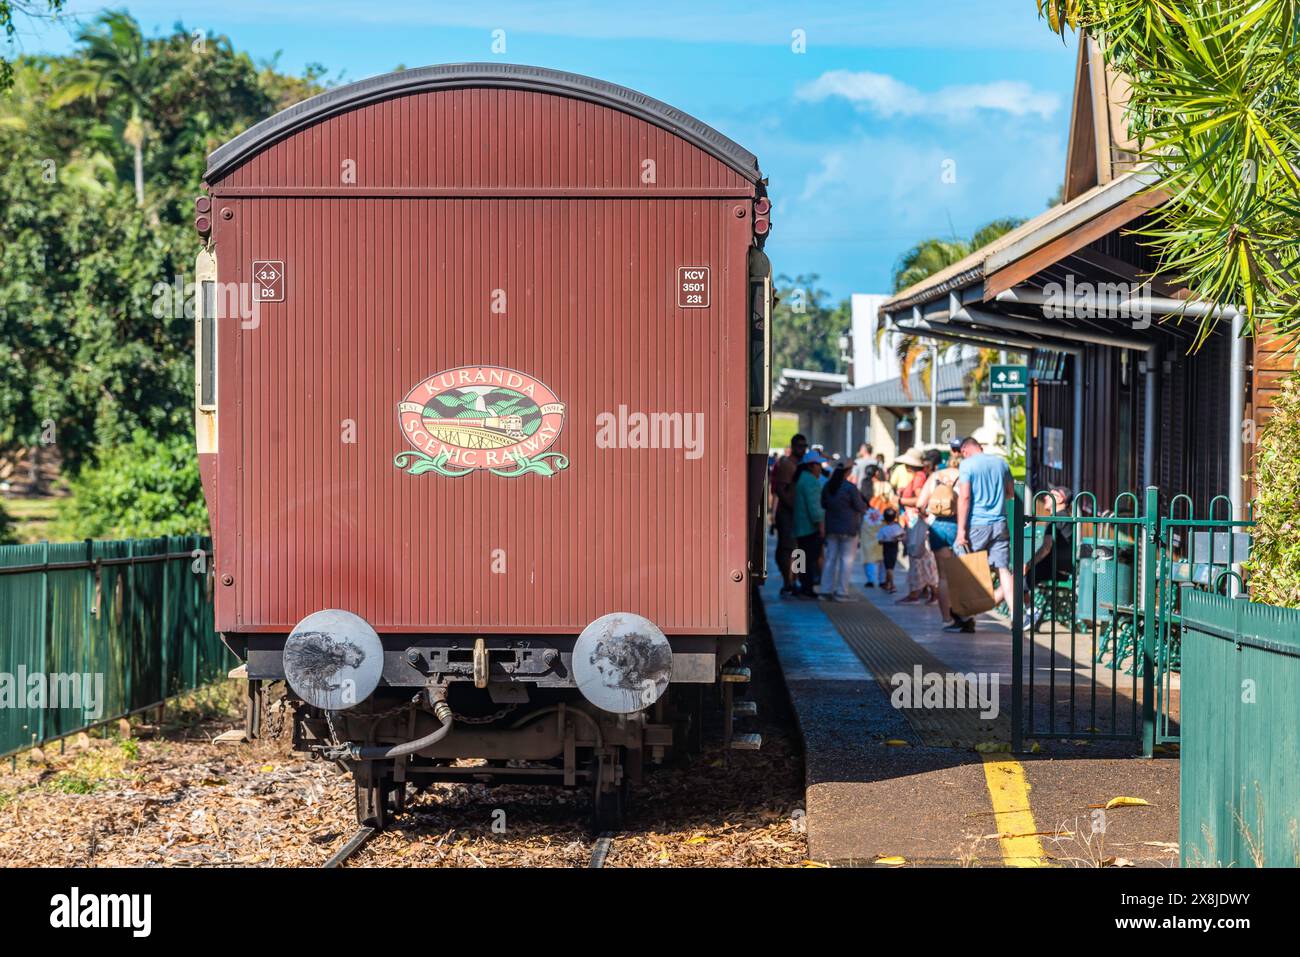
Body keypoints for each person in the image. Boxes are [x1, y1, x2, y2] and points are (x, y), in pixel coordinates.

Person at [955, 436, 1015, 624]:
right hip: (1000, 522)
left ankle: (967, 614)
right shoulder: (1001, 463)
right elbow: (1011, 493)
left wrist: (961, 531)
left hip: (977, 523)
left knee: (968, 566)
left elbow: (964, 498)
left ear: (965, 451)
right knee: (1003, 569)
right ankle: (1016, 614)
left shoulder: (967, 465)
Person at [917, 449, 964, 629]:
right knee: (961, 575)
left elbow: (920, 504)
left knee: (943, 577)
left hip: (938, 527)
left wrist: (928, 518)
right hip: (958, 528)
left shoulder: (935, 476)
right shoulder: (965, 477)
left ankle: (946, 619)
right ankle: (963, 615)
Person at [896, 448, 939, 605]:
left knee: (918, 558)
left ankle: (918, 591)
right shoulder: (921, 476)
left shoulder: (919, 478)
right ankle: (928, 590)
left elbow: (920, 499)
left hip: (916, 521)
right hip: (916, 520)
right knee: (923, 558)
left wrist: (901, 500)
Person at [821, 462, 866, 601]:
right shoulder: (850, 488)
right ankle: (841, 592)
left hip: (832, 527)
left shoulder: (828, 486)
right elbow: (860, 506)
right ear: (848, 471)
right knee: (846, 561)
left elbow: (823, 504)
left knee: (830, 559)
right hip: (849, 528)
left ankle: (825, 590)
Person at [770, 434, 808, 597]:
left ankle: (797, 579)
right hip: (788, 513)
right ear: (792, 447)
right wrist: (791, 506)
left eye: (804, 446)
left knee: (799, 549)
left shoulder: (803, 464)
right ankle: (788, 581)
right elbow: (780, 489)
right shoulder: (787, 464)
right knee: (787, 549)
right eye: (799, 446)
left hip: (799, 514)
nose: (802, 449)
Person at [791, 449, 828, 599]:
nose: (820, 468)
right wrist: (821, 525)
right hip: (809, 527)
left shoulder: (802, 478)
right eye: (818, 465)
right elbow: (814, 507)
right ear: (811, 466)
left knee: (802, 557)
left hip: (800, 526)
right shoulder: (811, 481)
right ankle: (807, 588)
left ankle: (800, 585)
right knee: (810, 559)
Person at [877, 507, 904, 593]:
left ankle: (892, 585)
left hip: (886, 548)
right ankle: (887, 583)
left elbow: (880, 541)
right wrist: (896, 538)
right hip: (895, 548)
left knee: (889, 568)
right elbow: (903, 535)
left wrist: (887, 539)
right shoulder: (897, 527)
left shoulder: (883, 529)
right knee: (891, 567)